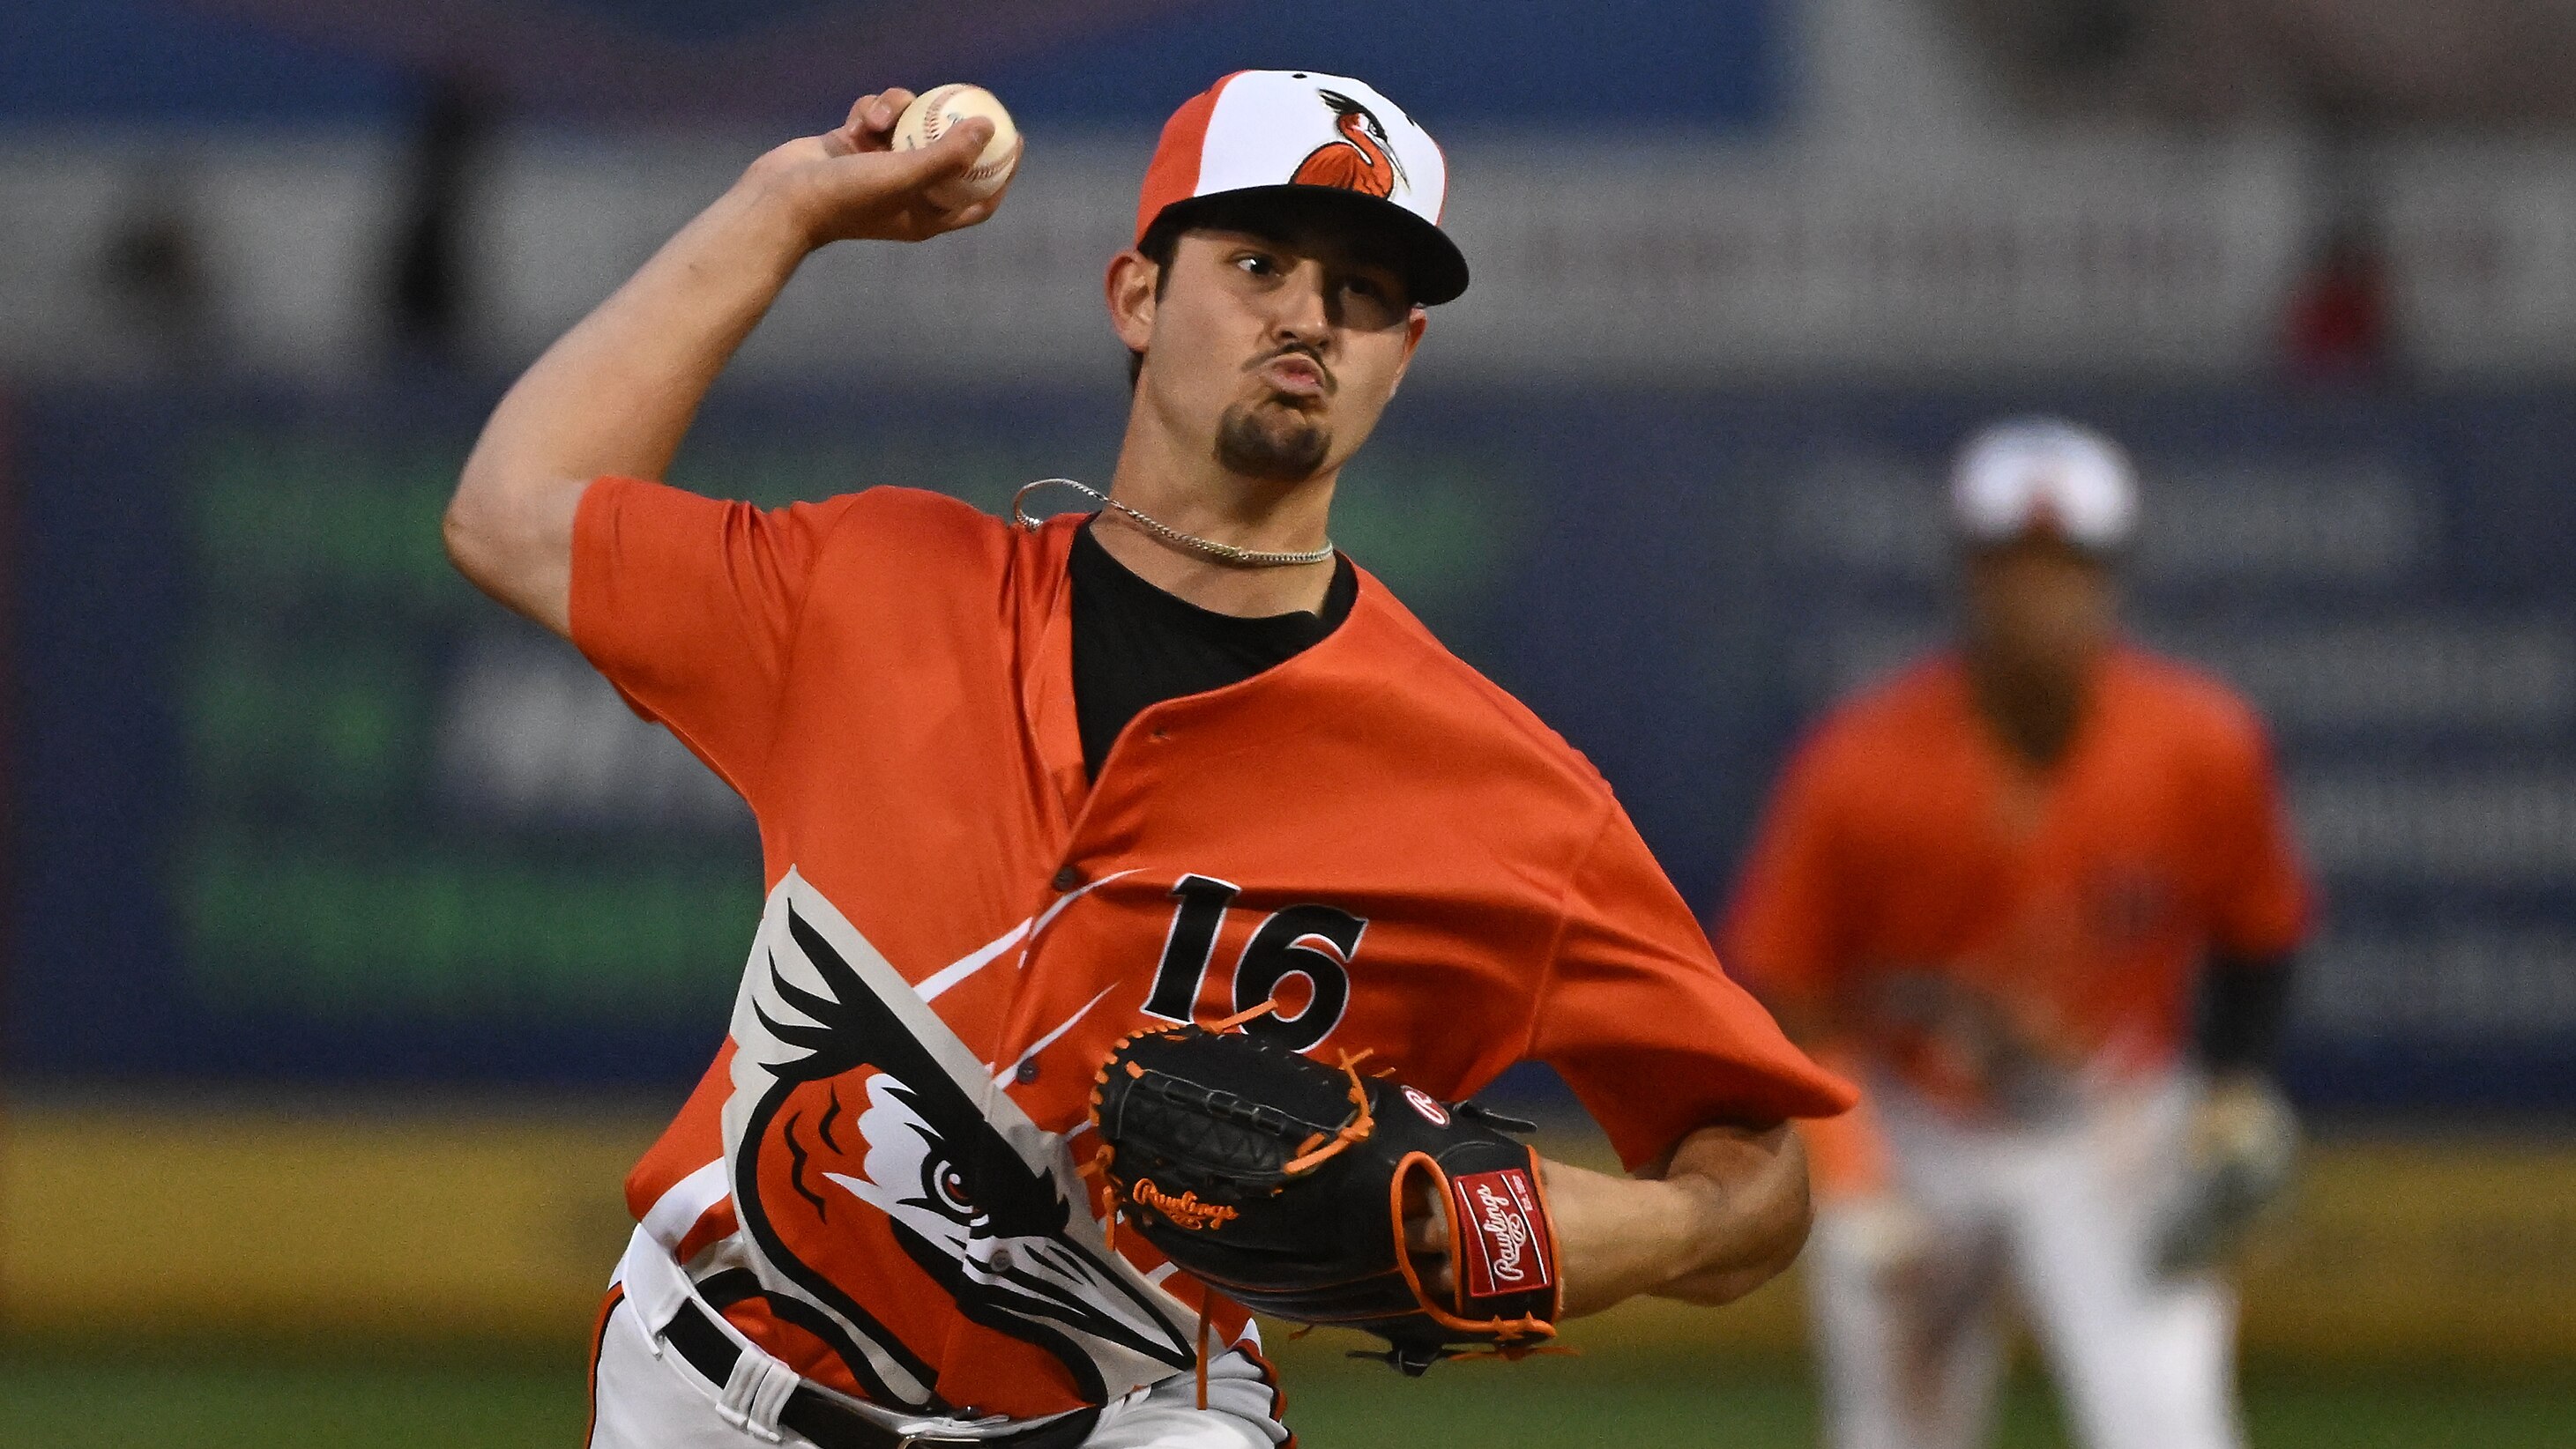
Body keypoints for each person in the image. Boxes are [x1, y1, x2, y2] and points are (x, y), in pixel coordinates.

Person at [444, 70, 1853, 1449]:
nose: (1308, 313)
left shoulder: (1506, 798)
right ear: (1136, 295)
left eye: (1361, 291)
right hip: (711, 1385)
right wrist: (780, 211)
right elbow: (512, 513)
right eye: (1256, 260)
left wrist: (1557, 1222)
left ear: (1399, 356)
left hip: (1129, 1417)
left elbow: (1758, 1181)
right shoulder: (876, 587)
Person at [1721, 419, 2312, 1449]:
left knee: (2169, 1427)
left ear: (2112, 579)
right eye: (2011, 563)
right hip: (1916, 1126)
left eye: (2068, 564)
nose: (2040, 594)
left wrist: (2231, 1089)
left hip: (2109, 1119)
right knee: (1893, 1434)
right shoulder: (1862, 763)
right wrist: (1850, 1170)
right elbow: (1785, 985)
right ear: (1967, 576)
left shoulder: (2201, 743)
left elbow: (2262, 932)